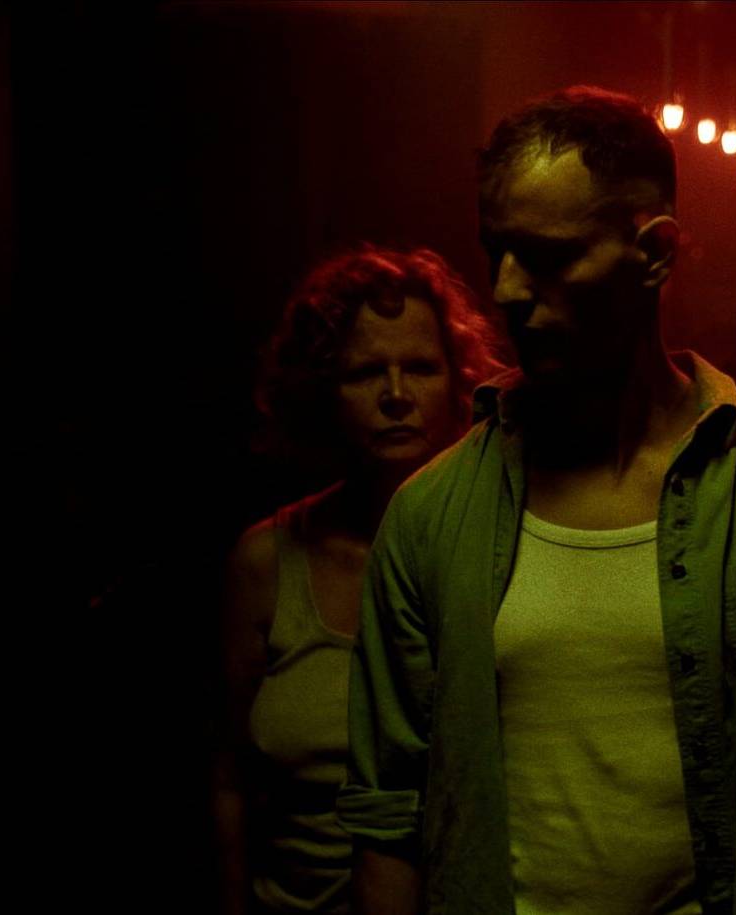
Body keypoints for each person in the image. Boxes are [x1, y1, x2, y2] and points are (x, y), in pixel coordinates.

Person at [339, 87, 736, 915]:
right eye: (497, 251)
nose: (507, 290)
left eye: (548, 256)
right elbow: (387, 814)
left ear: (653, 253)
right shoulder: (427, 517)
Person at [217, 246, 506, 914]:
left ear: (458, 380)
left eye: (421, 368)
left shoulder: (500, 548)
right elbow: (227, 780)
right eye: (366, 371)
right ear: (323, 387)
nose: (397, 395)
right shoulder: (266, 563)